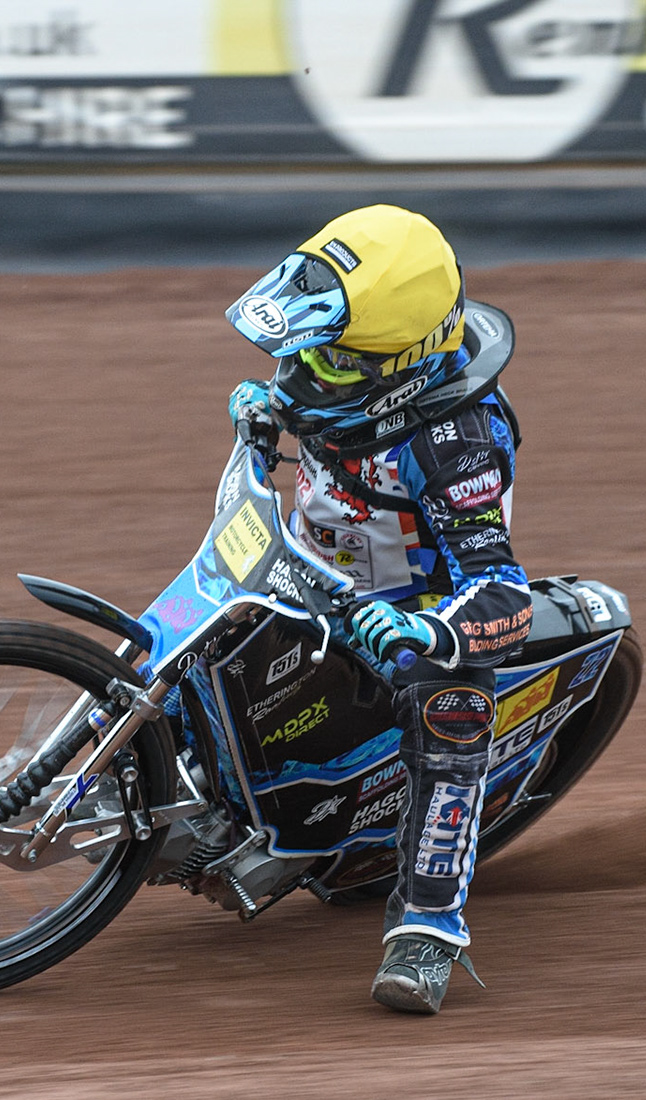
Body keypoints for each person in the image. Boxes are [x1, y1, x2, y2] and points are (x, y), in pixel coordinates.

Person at [223, 205, 533, 1014]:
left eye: (330, 358)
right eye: (305, 349)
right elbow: (296, 393)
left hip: (415, 607)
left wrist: (428, 629)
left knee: (453, 706)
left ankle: (430, 928)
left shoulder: (453, 442)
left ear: (396, 365)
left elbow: (506, 593)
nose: (303, 371)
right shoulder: (349, 378)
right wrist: (259, 420)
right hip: (305, 572)